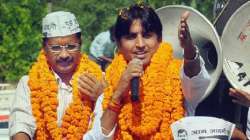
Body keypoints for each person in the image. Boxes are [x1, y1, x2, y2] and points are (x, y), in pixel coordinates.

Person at [84, 3, 210, 139]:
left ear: (159, 39)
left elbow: (196, 82)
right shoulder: (110, 81)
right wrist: (119, 92)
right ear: (119, 44)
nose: (140, 44)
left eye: (147, 35)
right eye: (131, 37)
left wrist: (188, 46)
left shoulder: (177, 75)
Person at [9, 11, 110, 140]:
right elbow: (21, 123)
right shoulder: (29, 83)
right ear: (44, 47)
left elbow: (109, 127)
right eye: (56, 48)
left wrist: (102, 97)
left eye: (71, 46)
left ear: (81, 44)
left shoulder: (99, 80)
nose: (64, 55)